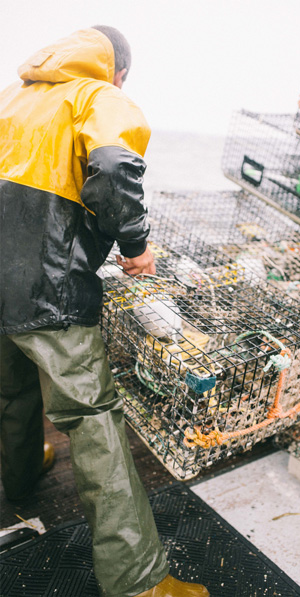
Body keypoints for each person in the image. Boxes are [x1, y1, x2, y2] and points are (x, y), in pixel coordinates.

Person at [0, 27, 208, 597]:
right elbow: (114, 167)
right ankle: (139, 581)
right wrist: (136, 246)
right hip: (48, 290)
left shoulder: (15, 99)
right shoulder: (97, 96)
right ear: (117, 70)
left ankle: (17, 479)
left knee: (11, 393)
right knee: (92, 421)